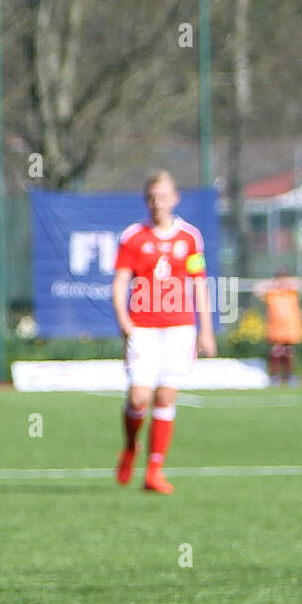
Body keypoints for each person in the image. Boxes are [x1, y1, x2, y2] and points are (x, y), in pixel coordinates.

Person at [112, 170, 216, 495]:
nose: (158, 203)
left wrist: (205, 329)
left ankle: (154, 471)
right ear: (147, 201)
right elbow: (119, 282)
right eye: (152, 197)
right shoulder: (133, 237)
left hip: (179, 329)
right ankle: (131, 446)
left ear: (175, 198)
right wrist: (123, 321)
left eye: (164, 196)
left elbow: (199, 284)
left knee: (166, 396)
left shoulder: (190, 238)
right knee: (139, 396)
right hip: (142, 328)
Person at [254, 270, 302, 385]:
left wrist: (286, 283)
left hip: (290, 328)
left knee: (288, 352)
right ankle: (274, 376)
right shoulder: (272, 293)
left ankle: (288, 375)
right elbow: (258, 290)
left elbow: (299, 283)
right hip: (276, 329)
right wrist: (274, 284)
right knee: (276, 351)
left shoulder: (291, 292)